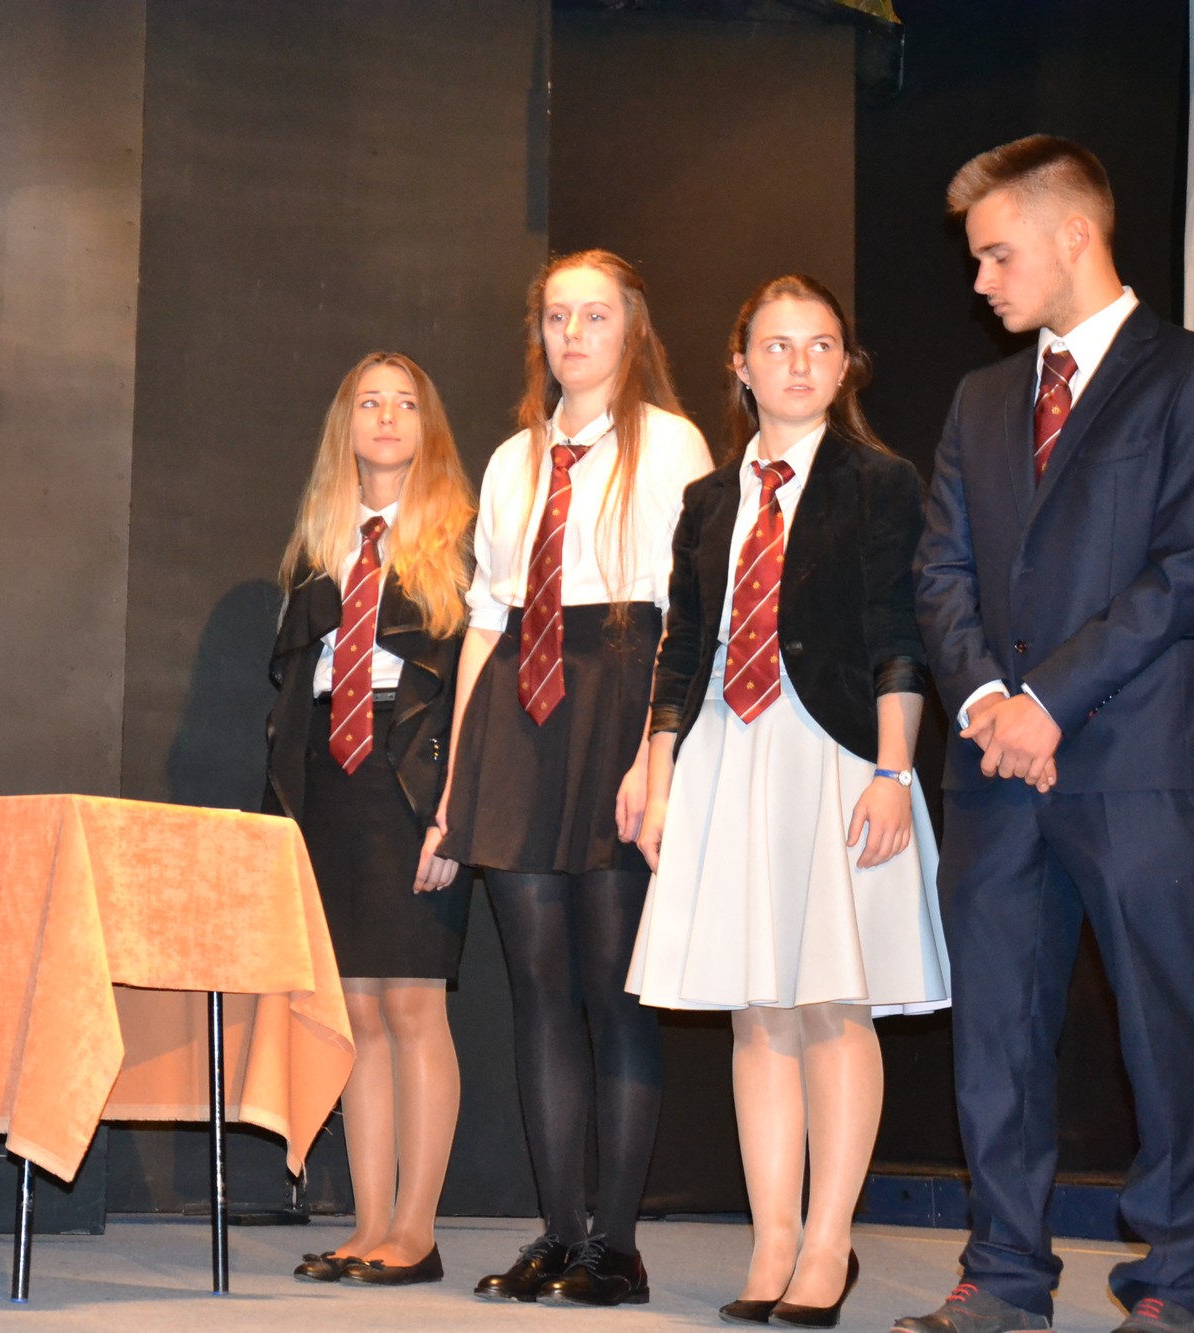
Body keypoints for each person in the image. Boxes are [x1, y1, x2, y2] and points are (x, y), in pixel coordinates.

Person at [902, 137, 1194, 1333]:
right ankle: (1004, 1274)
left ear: (1072, 235)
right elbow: (939, 570)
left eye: (996, 254)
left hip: (1134, 760)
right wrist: (982, 705)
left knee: (1161, 1026)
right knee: (996, 1029)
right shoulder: (979, 399)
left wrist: (1045, 701)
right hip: (992, 767)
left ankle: (1174, 1284)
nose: (979, 281)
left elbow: (1188, 567)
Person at [627, 274, 950, 1329]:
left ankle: (827, 1242)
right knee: (756, 1008)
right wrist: (657, 770)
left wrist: (893, 772)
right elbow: (681, 648)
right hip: (729, 751)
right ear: (740, 364)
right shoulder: (707, 500)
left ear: (844, 364)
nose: (799, 363)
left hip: (836, 755)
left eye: (819, 345)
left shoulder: (880, 481)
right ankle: (771, 1237)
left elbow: (899, 632)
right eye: (776, 345)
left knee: (830, 1001)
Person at [438, 250, 713, 1306]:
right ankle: (558, 1232)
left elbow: (685, 613)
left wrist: (654, 749)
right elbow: (485, 619)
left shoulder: (671, 444)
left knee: (611, 984)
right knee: (538, 988)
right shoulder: (513, 459)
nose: (574, 335)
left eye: (594, 316)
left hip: (619, 693)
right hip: (517, 708)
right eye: (557, 317)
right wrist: (459, 778)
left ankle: (617, 1244)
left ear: (630, 328)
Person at [265, 352, 476, 1288]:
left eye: (405, 404)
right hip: (331, 781)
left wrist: (453, 811)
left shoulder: (463, 540)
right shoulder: (321, 540)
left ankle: (416, 1231)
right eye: (369, 402)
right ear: (343, 425)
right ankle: (368, 1222)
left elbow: (473, 691)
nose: (387, 418)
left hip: (412, 780)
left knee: (413, 1003)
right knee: (355, 1009)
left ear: (429, 426)